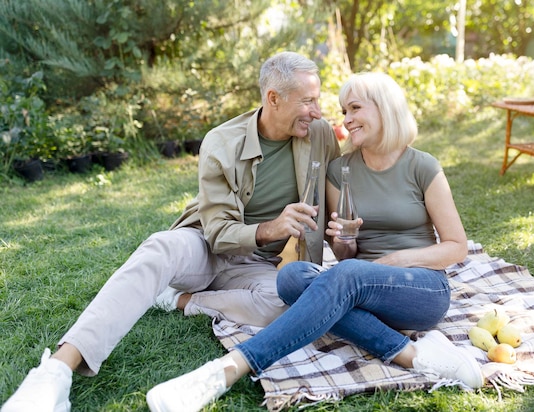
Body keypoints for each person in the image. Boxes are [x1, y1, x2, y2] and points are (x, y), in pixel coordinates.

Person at [1, 51, 341, 412]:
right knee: (159, 249)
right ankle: (55, 371)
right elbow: (218, 233)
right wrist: (271, 227)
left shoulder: (318, 135)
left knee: (286, 304)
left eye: (316, 99)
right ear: (273, 98)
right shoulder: (222, 142)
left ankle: (180, 299)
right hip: (207, 245)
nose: (317, 111)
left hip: (259, 264)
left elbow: (337, 194)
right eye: (308, 101)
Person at [144, 72, 483, 412]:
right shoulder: (341, 170)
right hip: (360, 290)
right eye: (343, 110)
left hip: (420, 289)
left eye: (354, 109)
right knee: (292, 278)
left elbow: (456, 246)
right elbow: (342, 254)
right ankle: (414, 356)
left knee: (347, 274)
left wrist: (392, 262)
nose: (346, 120)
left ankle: (227, 370)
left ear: (385, 108)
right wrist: (344, 242)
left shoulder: (423, 166)